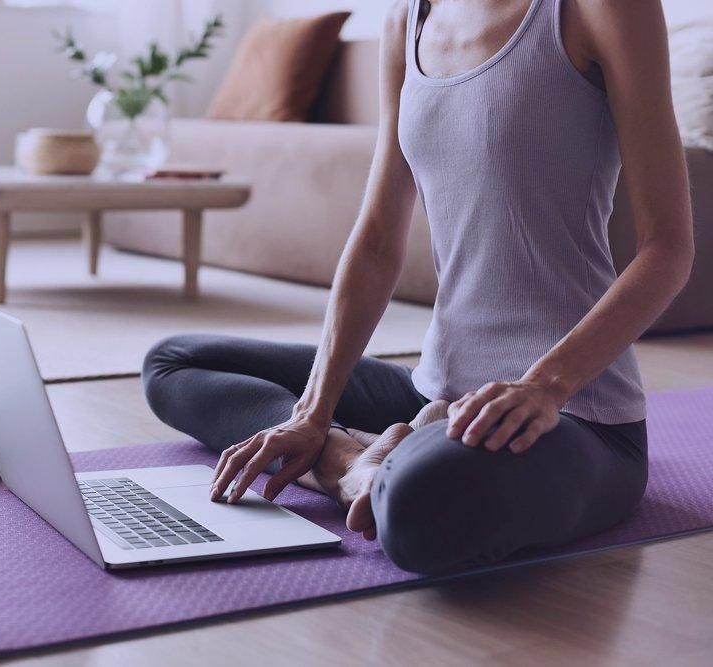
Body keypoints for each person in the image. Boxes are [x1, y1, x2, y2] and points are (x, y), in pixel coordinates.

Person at [142, 0, 694, 574]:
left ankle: (386, 468)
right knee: (173, 364)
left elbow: (668, 251)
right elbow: (379, 237)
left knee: (415, 511)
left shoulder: (603, 8)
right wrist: (311, 414)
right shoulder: (408, 18)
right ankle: (346, 459)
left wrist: (544, 387)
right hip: (433, 392)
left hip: (574, 415)